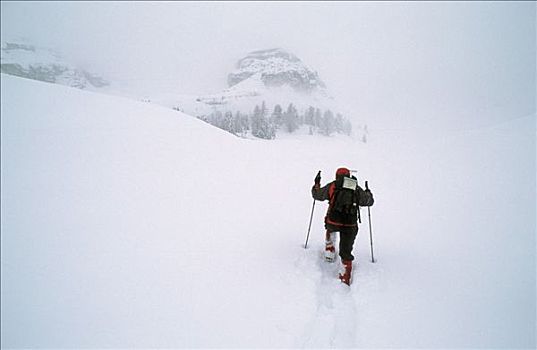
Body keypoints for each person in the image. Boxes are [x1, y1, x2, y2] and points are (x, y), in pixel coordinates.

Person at [311, 167, 374, 285]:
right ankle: (345, 275)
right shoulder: (355, 187)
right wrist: (368, 193)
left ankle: (329, 249)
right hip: (350, 225)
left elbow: (317, 195)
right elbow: (369, 201)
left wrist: (316, 184)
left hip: (333, 221)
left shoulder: (333, 186)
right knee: (346, 250)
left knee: (330, 227)